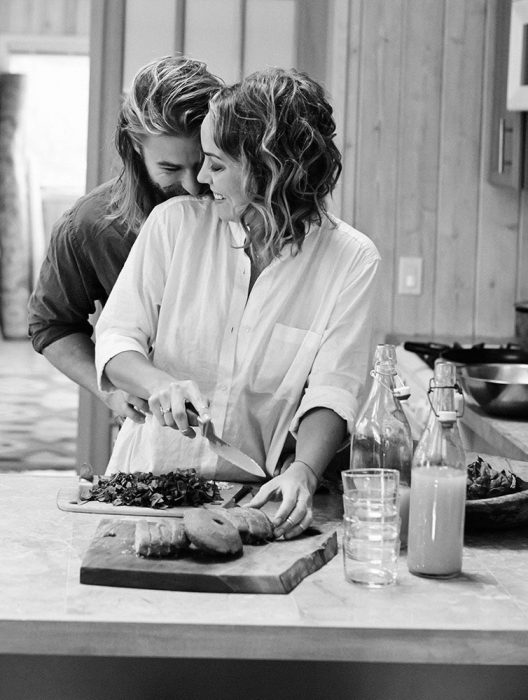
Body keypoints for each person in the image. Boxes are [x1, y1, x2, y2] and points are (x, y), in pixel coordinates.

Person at [95, 67, 380, 538]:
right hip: (145, 487)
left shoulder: (351, 259)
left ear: (269, 171)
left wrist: (304, 471)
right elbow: (118, 335)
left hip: (254, 502)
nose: (202, 178)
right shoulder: (173, 225)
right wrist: (157, 383)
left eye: (217, 163)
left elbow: (333, 389)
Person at [27, 56, 223, 422]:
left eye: (204, 164)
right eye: (170, 168)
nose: (195, 186)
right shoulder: (88, 224)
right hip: (154, 421)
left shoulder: (241, 206)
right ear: (134, 146)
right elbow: (52, 325)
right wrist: (111, 389)